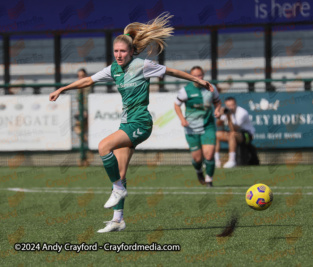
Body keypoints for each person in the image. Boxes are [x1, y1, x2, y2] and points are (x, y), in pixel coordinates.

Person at [49, 13, 214, 233]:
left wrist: (198, 80)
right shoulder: (113, 69)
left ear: (131, 52)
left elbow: (172, 72)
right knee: (121, 171)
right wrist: (62, 89)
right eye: (116, 51)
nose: (118, 55)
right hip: (127, 122)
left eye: (122, 51)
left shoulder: (142, 65)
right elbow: (88, 80)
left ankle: (117, 189)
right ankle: (118, 219)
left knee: (103, 147)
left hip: (141, 122)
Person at [174, 66, 221, 187]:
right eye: (195, 76)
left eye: (200, 75)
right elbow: (177, 105)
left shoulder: (211, 88)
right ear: (191, 77)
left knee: (209, 154)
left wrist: (217, 109)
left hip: (208, 125)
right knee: (197, 159)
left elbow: (217, 101)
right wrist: (182, 119)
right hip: (191, 128)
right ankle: (199, 171)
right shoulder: (185, 90)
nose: (198, 78)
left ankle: (209, 180)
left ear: (203, 75)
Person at [215, 97, 257, 168]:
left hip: (246, 135)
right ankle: (216, 160)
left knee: (232, 135)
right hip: (233, 133)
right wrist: (220, 115)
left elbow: (234, 129)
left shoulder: (242, 112)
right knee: (216, 134)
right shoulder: (226, 111)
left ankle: (232, 161)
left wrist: (228, 117)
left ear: (236, 104)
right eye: (229, 106)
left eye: (232, 105)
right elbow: (218, 124)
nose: (231, 107)